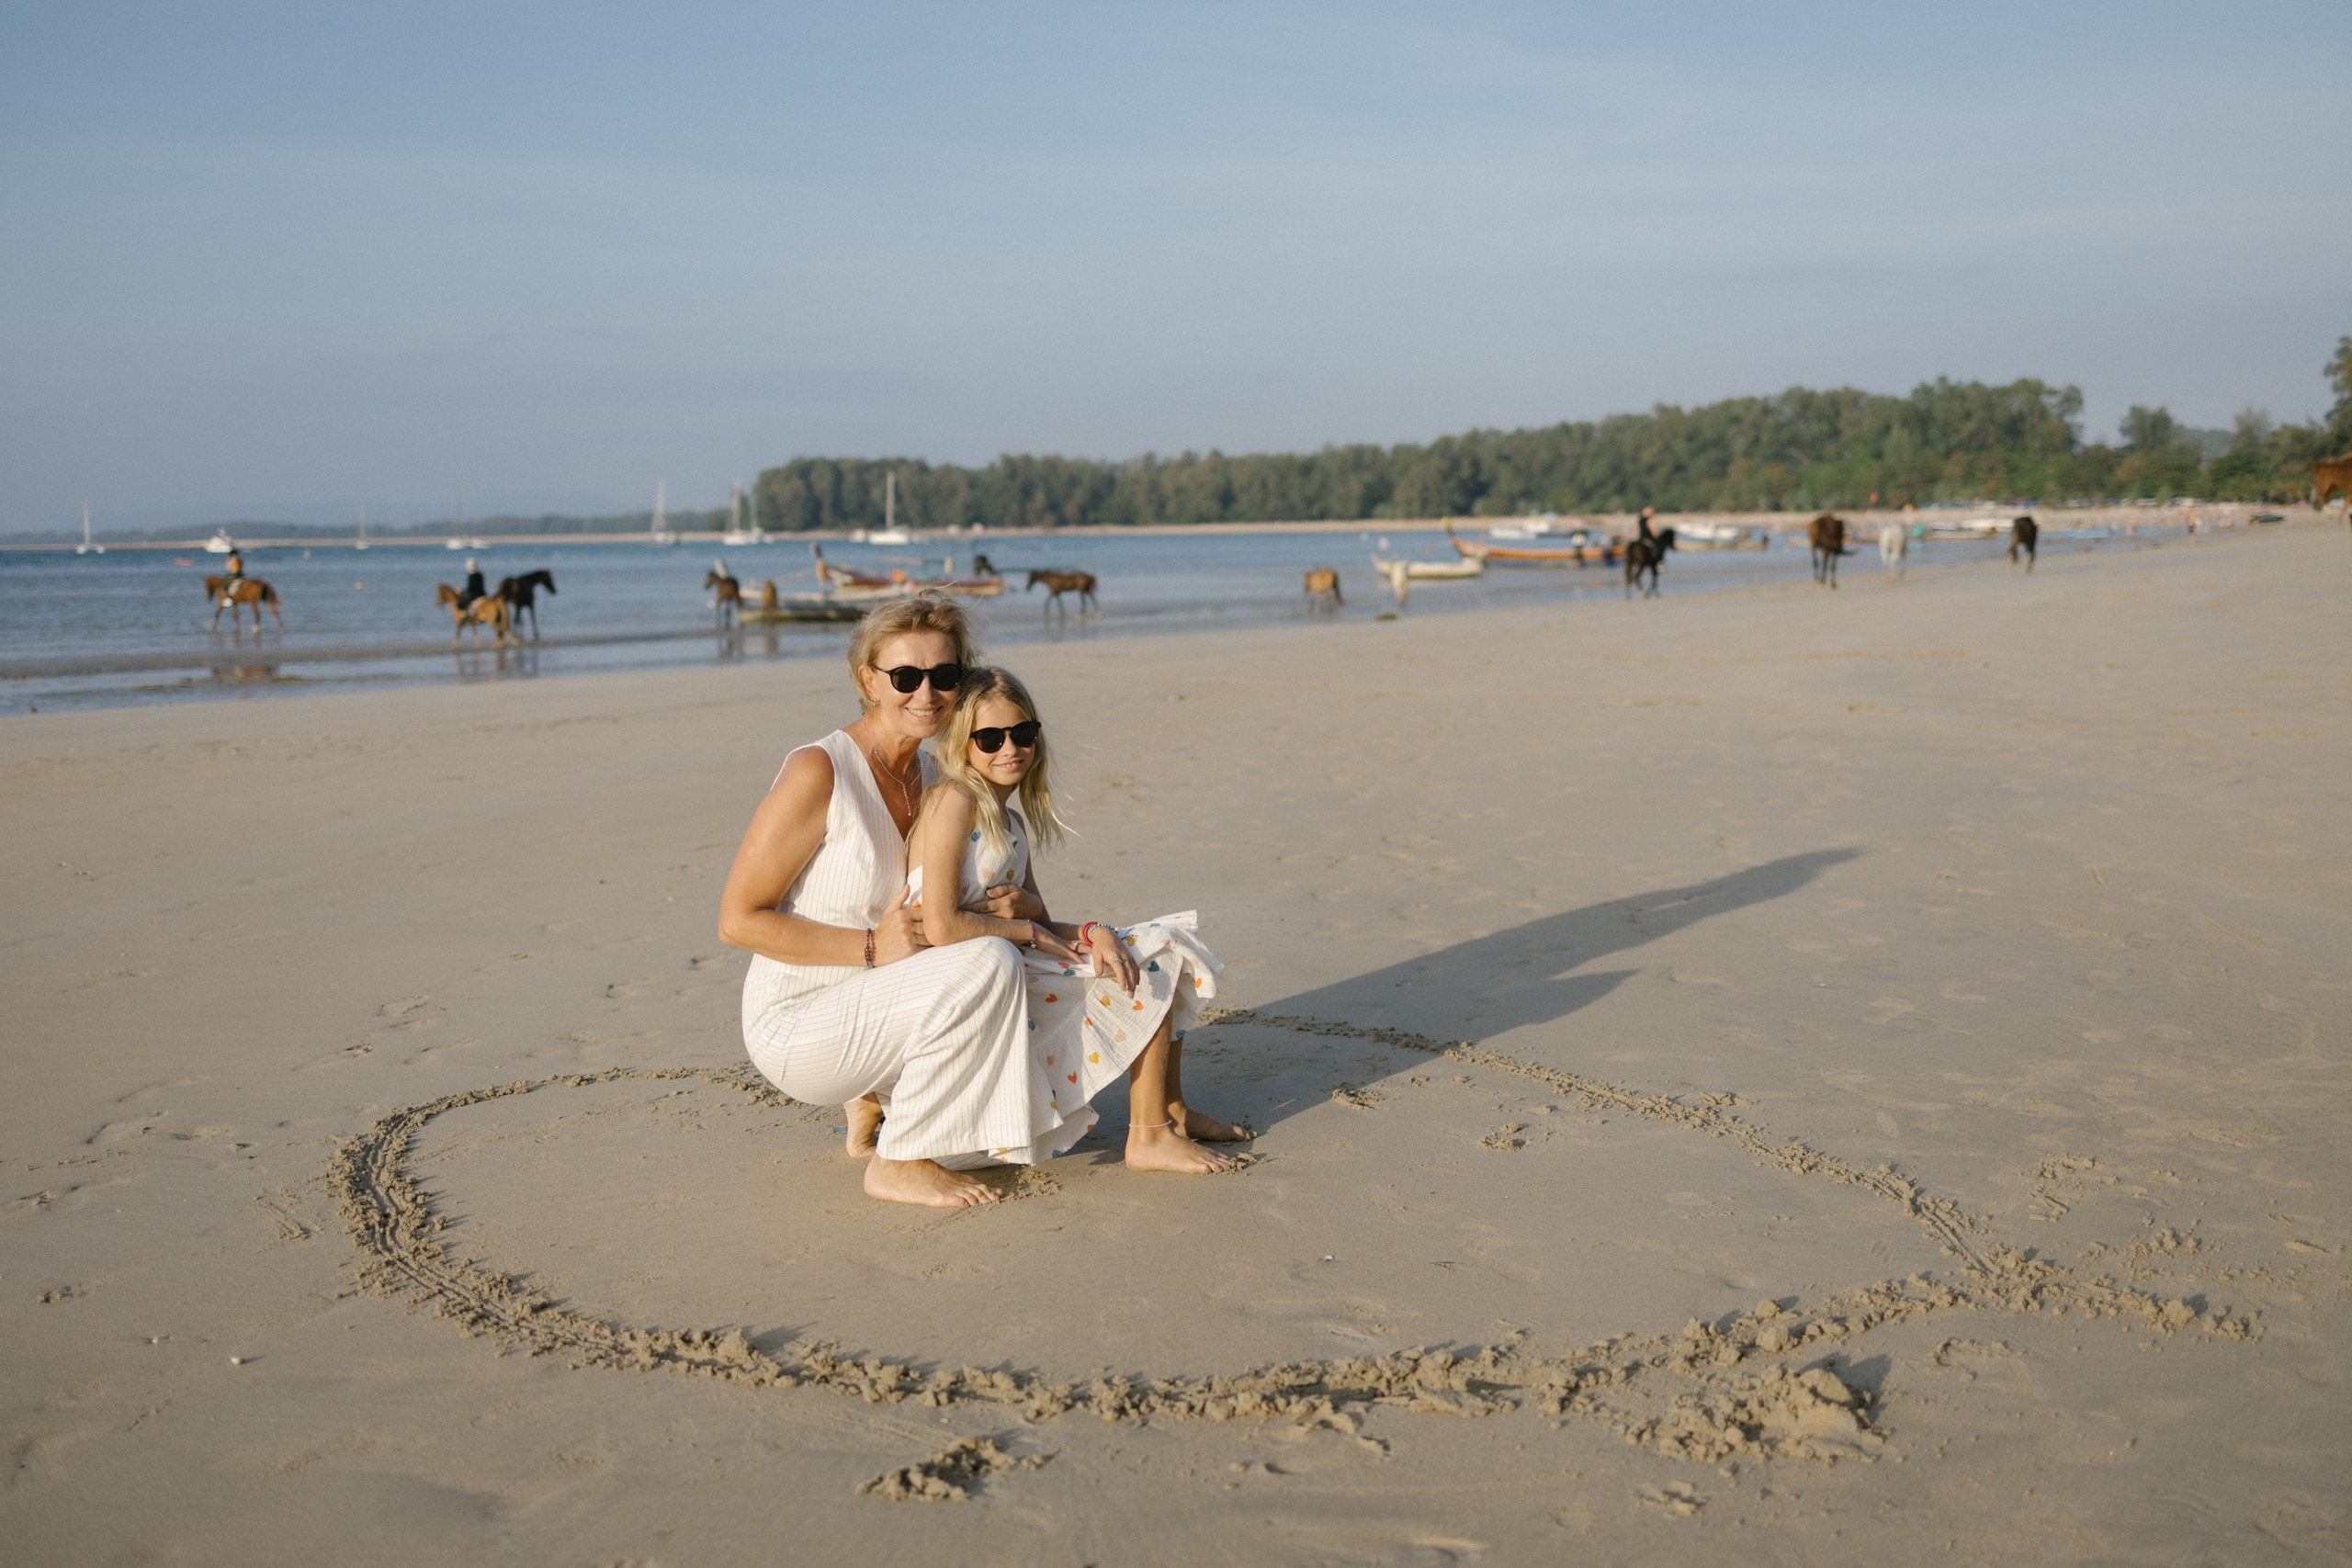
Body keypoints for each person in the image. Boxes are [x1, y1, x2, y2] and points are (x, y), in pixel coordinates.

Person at [720, 594, 1043, 1209]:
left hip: (886, 1008)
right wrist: (869, 946)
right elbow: (737, 920)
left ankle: (874, 1101)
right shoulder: (821, 770)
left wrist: (1019, 910)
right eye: (905, 676)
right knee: (993, 963)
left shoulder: (935, 774)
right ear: (867, 678)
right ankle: (897, 1161)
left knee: (1014, 1130)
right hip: (797, 1019)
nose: (927, 693)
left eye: (944, 675)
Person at [906, 667, 1242, 1174]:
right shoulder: (956, 801)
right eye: (990, 738)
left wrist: (1093, 932)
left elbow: (1038, 916)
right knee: (1150, 960)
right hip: (964, 982)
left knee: (1160, 944)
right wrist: (1030, 929)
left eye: (1022, 734)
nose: (1009, 748)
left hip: (1010, 960)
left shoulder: (1010, 823)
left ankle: (1169, 1110)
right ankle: (1148, 1138)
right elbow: (942, 927)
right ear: (962, 744)